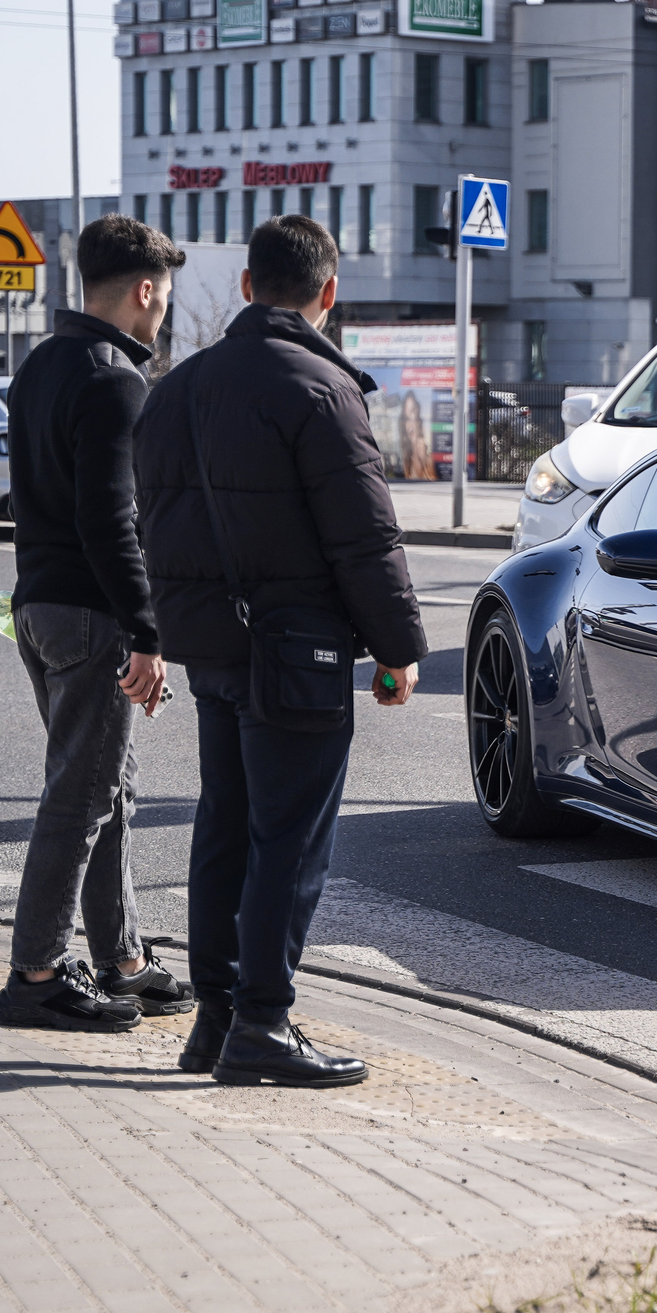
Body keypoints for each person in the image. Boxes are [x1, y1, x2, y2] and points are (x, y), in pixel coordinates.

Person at [134, 216, 427, 1088]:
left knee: (224, 828)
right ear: (327, 294)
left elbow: (156, 523)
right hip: (296, 650)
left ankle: (216, 1018)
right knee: (289, 841)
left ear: (246, 285)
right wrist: (398, 647)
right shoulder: (322, 390)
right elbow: (364, 539)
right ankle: (263, 1021)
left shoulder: (177, 387)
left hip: (212, 647)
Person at [0, 215, 197, 1033]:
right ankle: (36, 974)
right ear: (144, 289)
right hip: (91, 616)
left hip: (36, 608)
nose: (165, 311)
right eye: (165, 295)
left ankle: (122, 959)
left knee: (109, 786)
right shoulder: (115, 380)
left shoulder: (39, 366)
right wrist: (147, 632)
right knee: (79, 796)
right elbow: (113, 520)